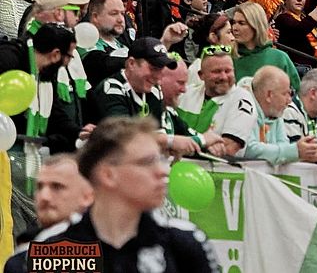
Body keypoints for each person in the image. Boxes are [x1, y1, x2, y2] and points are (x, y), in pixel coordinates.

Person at [8, 117, 219, 273]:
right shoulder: (52, 250)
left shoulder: (183, 243)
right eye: (147, 162)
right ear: (108, 175)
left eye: (160, 160)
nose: (162, 171)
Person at [178, 46, 257, 156]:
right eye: (216, 71)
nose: (223, 77)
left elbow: (229, 147)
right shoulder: (185, 94)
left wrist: (180, 146)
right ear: (201, 75)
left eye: (228, 71)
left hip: (219, 166)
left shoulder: (242, 99)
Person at [244, 66, 317, 165]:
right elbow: (248, 149)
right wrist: (295, 151)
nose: (289, 100)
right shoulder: (242, 107)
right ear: (269, 95)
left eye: (290, 93)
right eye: (285, 94)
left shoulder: (275, 112)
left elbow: (284, 145)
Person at [232, 2, 301, 91]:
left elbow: (297, 93)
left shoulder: (279, 58)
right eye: (234, 22)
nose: (234, 28)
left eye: (241, 23)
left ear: (256, 25)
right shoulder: (229, 58)